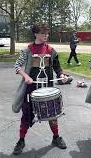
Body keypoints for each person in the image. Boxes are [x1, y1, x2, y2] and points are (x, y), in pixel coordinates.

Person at [12, 23, 69, 155]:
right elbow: (17, 66)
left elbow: (57, 67)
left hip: (47, 89)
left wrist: (61, 75)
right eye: (43, 33)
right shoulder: (28, 50)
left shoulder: (51, 50)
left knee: (52, 114)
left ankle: (56, 137)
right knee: (26, 115)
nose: (46, 35)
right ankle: (21, 140)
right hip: (31, 89)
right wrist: (25, 76)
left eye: (47, 33)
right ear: (36, 34)